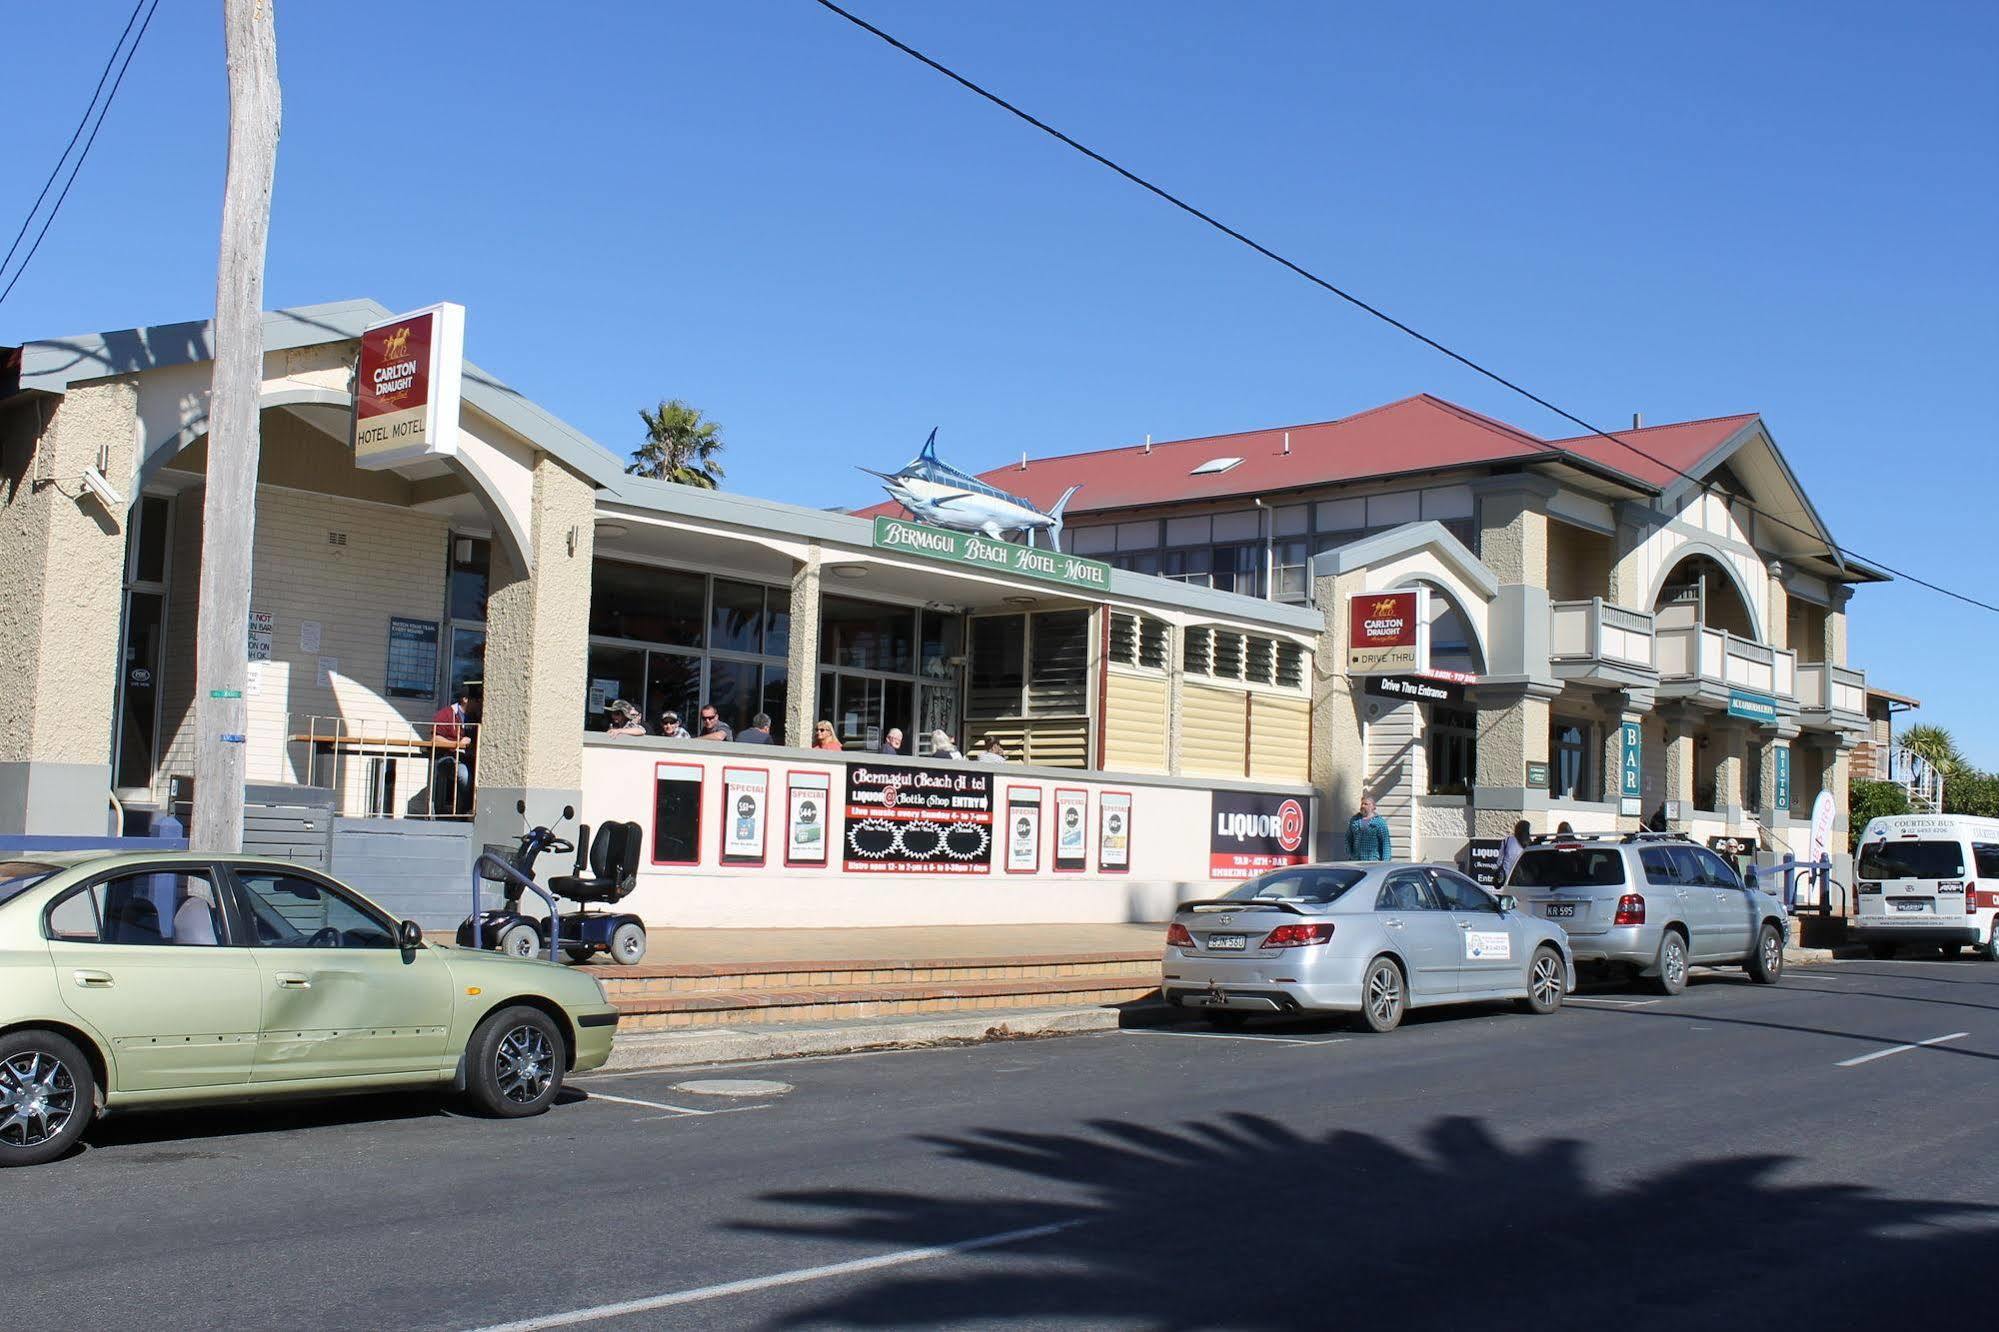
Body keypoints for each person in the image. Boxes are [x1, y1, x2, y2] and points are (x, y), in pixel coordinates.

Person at [431, 691, 475, 817]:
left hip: (469, 759)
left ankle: (470, 810)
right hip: (447, 758)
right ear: (465, 699)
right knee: (464, 775)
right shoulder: (445, 714)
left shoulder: (474, 717)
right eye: (477, 700)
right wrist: (458, 743)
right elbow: (435, 738)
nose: (480, 703)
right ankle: (465, 812)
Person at [1345, 795, 1392, 861]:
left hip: (1372, 861)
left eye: (1366, 804)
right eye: (1362, 804)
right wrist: (1350, 855)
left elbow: (1385, 844)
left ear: (1373, 807)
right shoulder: (1355, 820)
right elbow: (1348, 838)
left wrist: (1385, 862)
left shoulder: (1380, 822)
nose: (1362, 806)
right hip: (1356, 860)